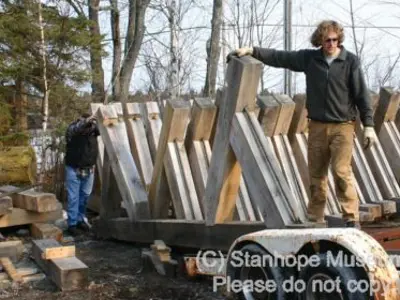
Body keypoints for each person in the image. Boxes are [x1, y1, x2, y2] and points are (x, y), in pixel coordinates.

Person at [227, 20, 376, 228]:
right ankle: (315, 217)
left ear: (339, 39)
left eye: (335, 40)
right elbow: (281, 58)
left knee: (341, 172)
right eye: (327, 40)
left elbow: (362, 96)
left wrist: (368, 125)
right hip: (316, 126)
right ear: (320, 41)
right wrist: (252, 50)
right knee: (316, 175)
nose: (331, 44)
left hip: (343, 126)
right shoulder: (310, 59)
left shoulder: (350, 62)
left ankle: (351, 218)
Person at [64, 113, 99, 236]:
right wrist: (86, 121)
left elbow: (104, 129)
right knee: (73, 197)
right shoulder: (73, 128)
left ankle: (80, 220)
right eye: (87, 122)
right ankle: (72, 224)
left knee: (85, 196)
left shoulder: (93, 130)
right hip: (73, 168)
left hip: (89, 169)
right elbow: (77, 128)